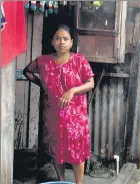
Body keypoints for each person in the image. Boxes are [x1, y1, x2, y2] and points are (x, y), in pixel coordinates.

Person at [23, 24, 94, 184]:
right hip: (53, 115)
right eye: (57, 38)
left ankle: (79, 183)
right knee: (57, 151)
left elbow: (90, 83)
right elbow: (27, 71)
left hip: (75, 118)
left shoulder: (79, 60)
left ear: (71, 43)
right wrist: (42, 84)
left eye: (65, 39)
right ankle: (61, 180)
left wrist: (72, 91)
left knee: (76, 153)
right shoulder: (43, 61)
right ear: (52, 42)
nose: (61, 42)